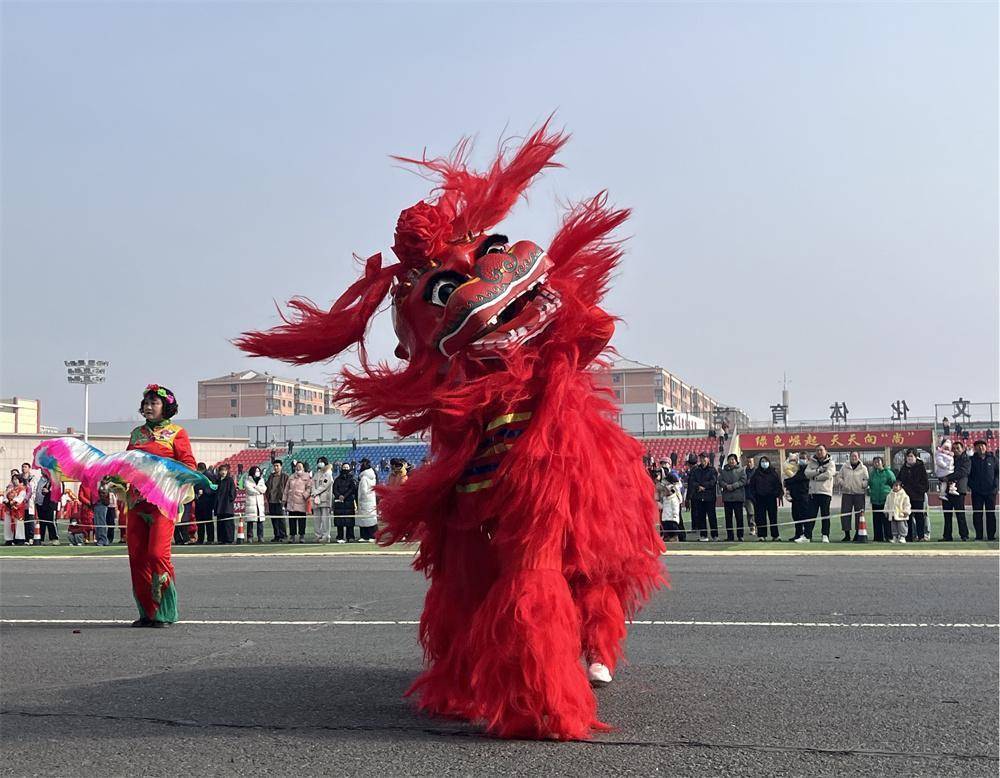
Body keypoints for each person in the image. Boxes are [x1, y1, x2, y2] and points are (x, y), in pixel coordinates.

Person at [123, 384, 199, 627]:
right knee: (137, 557)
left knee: (157, 554)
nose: (148, 406)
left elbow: (189, 465)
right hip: (137, 502)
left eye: (154, 403)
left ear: (166, 407)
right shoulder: (137, 434)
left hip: (162, 504)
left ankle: (165, 612)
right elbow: (126, 464)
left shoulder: (177, 433)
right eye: (146, 403)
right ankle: (147, 612)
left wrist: (164, 473)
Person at [835, 451, 869, 542]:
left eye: (855, 456)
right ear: (850, 457)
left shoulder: (863, 468)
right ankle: (847, 535)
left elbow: (866, 479)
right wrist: (843, 484)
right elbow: (839, 477)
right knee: (845, 514)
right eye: (852, 456)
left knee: (859, 515)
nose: (854, 458)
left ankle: (857, 534)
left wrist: (863, 485)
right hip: (847, 494)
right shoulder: (844, 466)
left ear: (859, 457)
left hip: (859, 494)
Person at [968, 440, 998, 542]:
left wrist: (995, 486)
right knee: (977, 514)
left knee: (991, 514)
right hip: (977, 492)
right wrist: (973, 486)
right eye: (978, 446)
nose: (981, 448)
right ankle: (979, 536)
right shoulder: (972, 460)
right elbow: (968, 475)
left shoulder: (993, 459)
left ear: (986, 447)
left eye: (982, 446)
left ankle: (991, 536)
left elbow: (997, 473)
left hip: (991, 492)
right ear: (975, 448)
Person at [941, 440, 970, 541]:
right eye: (953, 448)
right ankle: (947, 536)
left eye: (958, 448)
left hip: (959, 490)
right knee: (947, 515)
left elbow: (963, 472)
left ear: (963, 449)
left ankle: (964, 535)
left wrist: (948, 477)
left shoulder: (966, 459)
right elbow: (942, 470)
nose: (955, 450)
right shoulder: (948, 458)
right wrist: (942, 477)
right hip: (946, 491)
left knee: (960, 514)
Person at [897, 448, 929, 541]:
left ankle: (921, 536)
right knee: (907, 517)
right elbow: (899, 479)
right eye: (908, 456)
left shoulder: (920, 467)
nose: (909, 458)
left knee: (919, 517)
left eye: (911, 456)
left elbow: (925, 484)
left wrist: (918, 489)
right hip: (906, 498)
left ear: (916, 457)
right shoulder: (904, 468)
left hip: (918, 497)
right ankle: (909, 536)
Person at [805, 445, 835, 543]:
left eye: (821, 450)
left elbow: (828, 474)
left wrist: (815, 477)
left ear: (826, 451)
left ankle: (825, 535)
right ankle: (807, 536)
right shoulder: (811, 462)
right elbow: (807, 473)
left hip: (825, 492)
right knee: (810, 515)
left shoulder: (830, 462)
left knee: (825, 515)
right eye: (817, 450)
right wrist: (818, 471)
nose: (819, 452)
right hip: (813, 492)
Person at [749, 455, 783, 541]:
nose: (764, 463)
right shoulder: (756, 474)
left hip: (771, 499)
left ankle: (775, 535)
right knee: (760, 518)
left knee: (773, 517)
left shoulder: (773, 473)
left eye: (766, 461)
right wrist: (754, 496)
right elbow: (752, 486)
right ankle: (761, 535)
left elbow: (778, 485)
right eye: (762, 462)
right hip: (759, 499)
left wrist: (777, 494)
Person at [686, 452, 718, 541]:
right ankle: (703, 535)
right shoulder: (696, 470)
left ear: (708, 459)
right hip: (699, 496)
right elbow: (693, 481)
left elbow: (713, 481)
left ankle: (715, 535)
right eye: (701, 458)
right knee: (701, 516)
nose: (703, 460)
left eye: (704, 458)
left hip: (709, 497)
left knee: (712, 516)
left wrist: (704, 486)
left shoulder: (712, 470)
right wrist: (698, 487)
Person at [784, 453, 813, 542]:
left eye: (803, 458)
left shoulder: (808, 469)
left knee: (804, 516)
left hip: (804, 496)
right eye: (800, 458)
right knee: (796, 516)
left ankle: (806, 535)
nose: (801, 460)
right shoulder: (797, 468)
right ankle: (798, 534)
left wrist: (788, 481)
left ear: (807, 459)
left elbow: (799, 478)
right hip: (795, 497)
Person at [718, 453, 746, 541]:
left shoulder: (741, 470)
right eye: (730, 459)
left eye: (733, 459)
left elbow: (743, 481)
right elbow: (720, 481)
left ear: (736, 461)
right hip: (727, 498)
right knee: (728, 518)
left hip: (738, 497)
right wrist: (726, 486)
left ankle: (740, 536)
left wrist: (734, 486)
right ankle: (730, 536)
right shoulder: (724, 471)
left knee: (739, 518)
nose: (731, 461)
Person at [867, 457, 896, 543]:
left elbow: (893, 483)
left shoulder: (888, 473)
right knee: (876, 520)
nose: (876, 464)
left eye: (878, 462)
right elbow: (870, 484)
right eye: (875, 462)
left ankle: (888, 537)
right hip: (875, 500)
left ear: (882, 463)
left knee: (886, 519)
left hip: (885, 500)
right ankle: (878, 537)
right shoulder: (872, 474)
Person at [283, 461, 311, 543]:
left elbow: (309, 488)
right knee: (292, 520)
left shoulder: (307, 477)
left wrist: (304, 495)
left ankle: (302, 536)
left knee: (302, 520)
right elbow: (286, 489)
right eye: (297, 466)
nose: (298, 467)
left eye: (300, 466)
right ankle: (292, 536)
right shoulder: (291, 477)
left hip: (301, 502)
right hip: (291, 502)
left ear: (303, 468)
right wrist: (284, 499)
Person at [332, 463, 358, 543]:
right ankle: (340, 537)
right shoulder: (337, 480)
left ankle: (350, 536)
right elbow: (334, 489)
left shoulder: (352, 480)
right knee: (339, 521)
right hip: (339, 504)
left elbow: (352, 489)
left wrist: (344, 496)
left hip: (349, 502)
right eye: (344, 467)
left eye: (347, 467)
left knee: (350, 521)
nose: (345, 469)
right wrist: (339, 496)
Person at [265, 460, 289, 542]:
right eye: (274, 466)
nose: (275, 467)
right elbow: (267, 486)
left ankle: (283, 535)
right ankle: (276, 535)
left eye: (277, 466)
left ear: (281, 467)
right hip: (271, 500)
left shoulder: (285, 476)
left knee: (281, 519)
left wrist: (285, 499)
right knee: (274, 519)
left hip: (280, 501)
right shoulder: (271, 476)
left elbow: (287, 488)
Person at [311, 456, 334, 543]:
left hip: (325, 499)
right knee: (316, 519)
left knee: (325, 519)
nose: (320, 463)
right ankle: (318, 535)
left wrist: (316, 492)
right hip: (316, 499)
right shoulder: (317, 473)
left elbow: (325, 485)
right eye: (319, 461)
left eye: (321, 461)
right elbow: (313, 483)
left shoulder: (328, 473)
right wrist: (314, 492)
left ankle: (326, 536)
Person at [243, 465, 267, 543]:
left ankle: (260, 536)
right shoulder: (247, 480)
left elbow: (264, 489)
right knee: (250, 521)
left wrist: (256, 487)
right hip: (251, 503)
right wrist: (258, 491)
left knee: (260, 521)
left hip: (259, 504)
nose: (258, 472)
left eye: (258, 471)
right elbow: (249, 490)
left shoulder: (261, 480)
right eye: (256, 471)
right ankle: (250, 537)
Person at [356, 458, 378, 542]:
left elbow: (363, 491)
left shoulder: (364, 478)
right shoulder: (373, 476)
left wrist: (360, 499)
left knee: (364, 519)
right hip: (371, 499)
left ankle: (366, 536)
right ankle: (372, 535)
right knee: (371, 518)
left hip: (365, 501)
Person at [214, 463, 237, 545]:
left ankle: (229, 539)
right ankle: (221, 539)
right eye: (221, 470)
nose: (223, 472)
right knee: (220, 523)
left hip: (227, 506)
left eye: (225, 470)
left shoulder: (230, 480)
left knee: (228, 524)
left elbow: (233, 492)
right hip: (219, 506)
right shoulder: (217, 481)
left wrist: (229, 500)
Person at [2, 473, 27, 546]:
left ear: (19, 480)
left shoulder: (22, 489)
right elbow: (5, 496)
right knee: (7, 524)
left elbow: (20, 498)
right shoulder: (9, 488)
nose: (14, 481)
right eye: (13, 479)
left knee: (19, 524)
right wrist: (7, 501)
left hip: (18, 509)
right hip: (8, 508)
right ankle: (8, 539)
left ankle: (20, 539)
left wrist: (13, 502)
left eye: (16, 479)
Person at [194, 463, 216, 544]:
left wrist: (205, 491)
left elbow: (214, 487)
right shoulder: (197, 476)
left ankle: (210, 539)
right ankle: (200, 539)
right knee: (200, 522)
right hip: (199, 502)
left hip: (207, 502)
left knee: (208, 521)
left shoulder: (209, 475)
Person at [35, 470, 59, 544]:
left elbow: (58, 491)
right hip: (41, 504)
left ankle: (54, 538)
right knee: (42, 522)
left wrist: (49, 491)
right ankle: (41, 539)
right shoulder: (41, 480)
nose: (43, 471)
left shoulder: (55, 480)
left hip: (51, 504)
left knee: (51, 521)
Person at [884, 480, 911, 544]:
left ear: (900, 487)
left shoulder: (904, 496)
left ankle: (902, 537)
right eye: (894, 486)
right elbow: (887, 504)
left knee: (902, 526)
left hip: (901, 515)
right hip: (892, 514)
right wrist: (886, 511)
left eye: (896, 486)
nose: (895, 487)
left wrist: (906, 512)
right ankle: (895, 537)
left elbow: (907, 504)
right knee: (893, 526)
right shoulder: (889, 495)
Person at [20, 463, 40, 546]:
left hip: (30, 501)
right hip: (21, 502)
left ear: (29, 468)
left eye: (25, 467)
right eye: (22, 467)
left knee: (30, 519)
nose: (23, 468)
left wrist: (30, 497)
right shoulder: (19, 477)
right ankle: (25, 538)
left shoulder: (32, 478)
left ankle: (31, 537)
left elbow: (34, 489)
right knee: (24, 520)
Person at [743, 456, 757, 536]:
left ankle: (759, 527)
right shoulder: (744, 471)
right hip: (748, 495)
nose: (749, 464)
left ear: (753, 462)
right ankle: (752, 528)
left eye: (750, 462)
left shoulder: (757, 471)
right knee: (750, 512)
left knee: (758, 512)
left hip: (757, 495)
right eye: (747, 462)